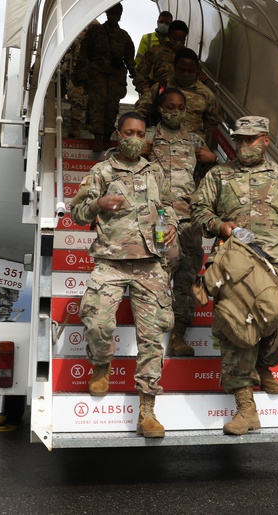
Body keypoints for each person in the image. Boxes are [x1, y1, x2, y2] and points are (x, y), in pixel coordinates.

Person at [189, 116, 278, 436]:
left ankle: (262, 364)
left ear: (265, 140)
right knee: (237, 329)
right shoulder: (219, 175)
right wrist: (221, 226)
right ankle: (246, 409)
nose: (244, 145)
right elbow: (198, 210)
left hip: (277, 262)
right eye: (240, 139)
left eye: (251, 139)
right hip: (236, 264)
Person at [68, 111, 178, 438]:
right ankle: (102, 364)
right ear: (118, 133)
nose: (134, 138)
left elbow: (168, 206)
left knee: (151, 338)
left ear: (146, 138)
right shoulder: (101, 171)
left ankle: (147, 411)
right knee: (98, 322)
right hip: (112, 260)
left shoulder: (155, 171)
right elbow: (76, 213)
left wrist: (170, 224)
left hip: (151, 262)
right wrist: (98, 202)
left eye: (140, 133)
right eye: (129, 132)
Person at [144, 88, 216, 356]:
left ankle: (178, 335)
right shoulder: (148, 135)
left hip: (188, 219)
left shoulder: (194, 139)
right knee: (164, 267)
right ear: (161, 107)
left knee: (187, 274)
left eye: (180, 107)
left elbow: (210, 165)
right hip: (161, 218)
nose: (175, 111)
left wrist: (212, 157)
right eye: (169, 106)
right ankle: (152, 333)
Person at [76, 3, 136, 151]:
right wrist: (83, 72)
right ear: (107, 12)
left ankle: (107, 137)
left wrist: (134, 73)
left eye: (117, 12)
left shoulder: (124, 36)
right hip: (97, 75)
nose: (115, 14)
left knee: (111, 107)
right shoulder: (96, 31)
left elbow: (129, 58)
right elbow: (84, 53)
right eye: (112, 11)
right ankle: (97, 137)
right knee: (97, 104)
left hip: (115, 78)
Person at [135, 47, 222, 148]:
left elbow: (213, 120)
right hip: (162, 143)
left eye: (190, 71)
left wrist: (195, 130)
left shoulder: (206, 94)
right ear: (175, 68)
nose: (185, 74)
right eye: (182, 70)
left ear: (197, 70)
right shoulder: (162, 87)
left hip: (192, 146)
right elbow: (141, 108)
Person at [132, 20, 188, 95]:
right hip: (158, 94)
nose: (178, 42)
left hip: (183, 98)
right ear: (169, 36)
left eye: (181, 40)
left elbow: (197, 78)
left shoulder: (188, 56)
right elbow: (139, 76)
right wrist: (148, 92)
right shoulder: (155, 51)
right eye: (175, 39)